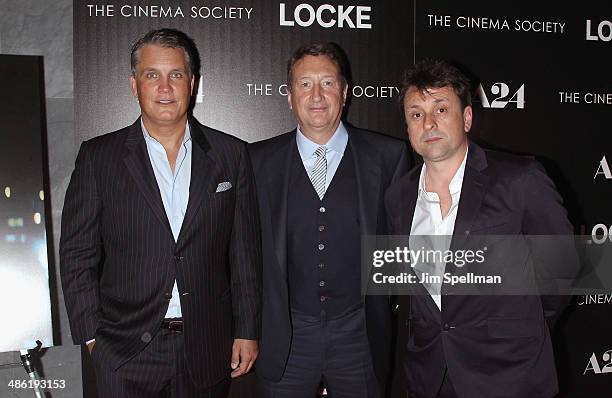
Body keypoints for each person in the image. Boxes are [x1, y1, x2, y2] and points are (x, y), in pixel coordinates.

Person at [60, 28, 261, 397]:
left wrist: (247, 328)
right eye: (152, 75)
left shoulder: (231, 155)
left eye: (176, 75)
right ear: (134, 85)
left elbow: (245, 254)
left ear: (193, 84)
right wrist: (91, 337)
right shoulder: (98, 157)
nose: (165, 88)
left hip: (206, 346)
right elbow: (77, 255)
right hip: (124, 351)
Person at [385, 58, 577, 398]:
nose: (428, 123)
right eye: (416, 114)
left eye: (441, 109)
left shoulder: (520, 179)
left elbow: (562, 269)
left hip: (509, 375)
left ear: (468, 117)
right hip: (430, 377)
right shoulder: (398, 196)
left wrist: (520, 328)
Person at [249, 42, 409, 398]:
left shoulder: (389, 156)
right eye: (305, 84)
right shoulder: (256, 161)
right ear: (289, 96)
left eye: (328, 83)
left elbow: (403, 247)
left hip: (361, 336)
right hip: (285, 337)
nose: (317, 95)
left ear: (345, 92)